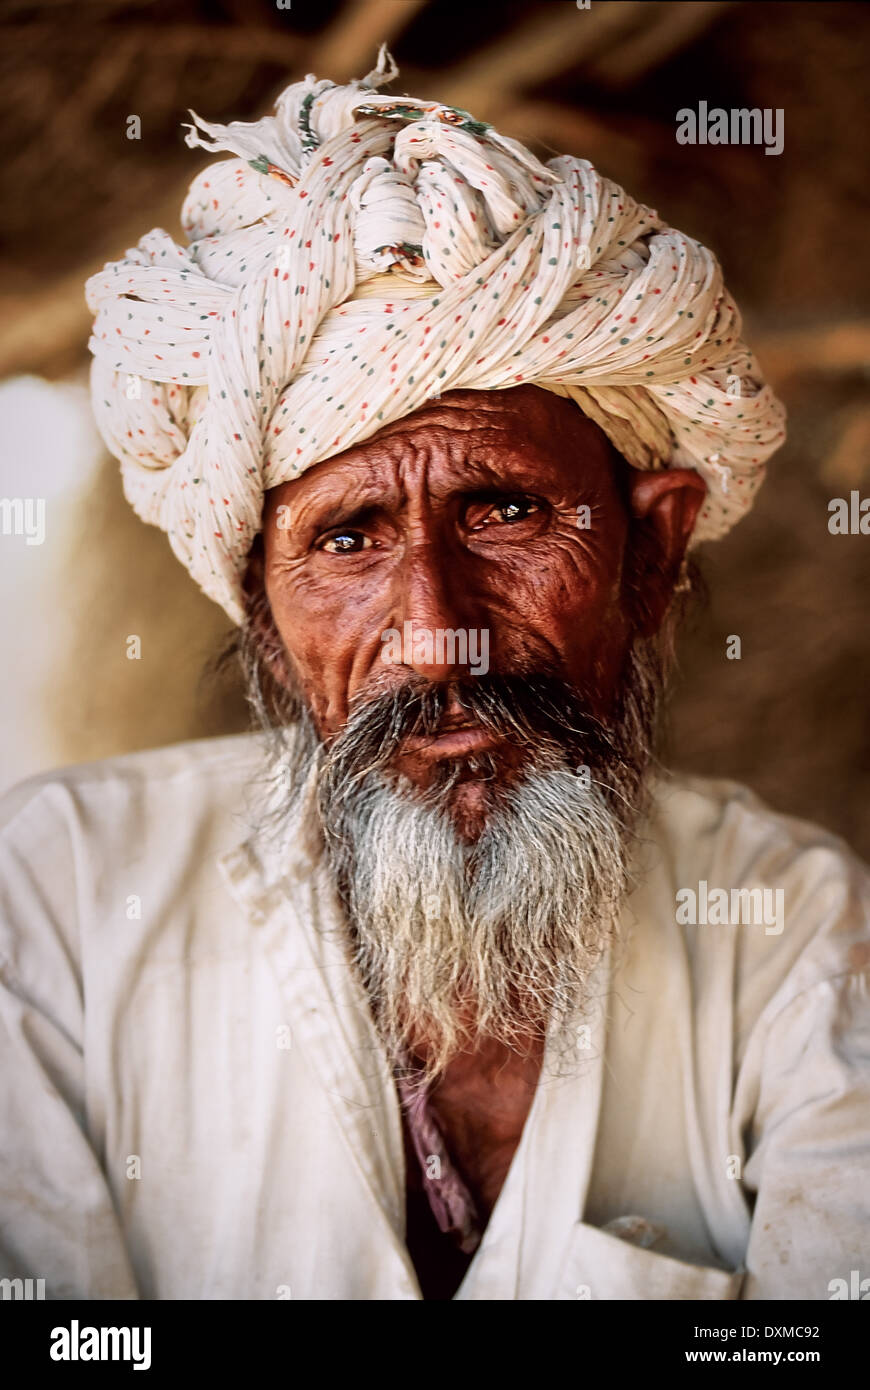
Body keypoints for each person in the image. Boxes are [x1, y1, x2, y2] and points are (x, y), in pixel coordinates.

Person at [1, 48, 867, 1302]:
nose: (433, 634)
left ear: (654, 551)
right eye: (346, 539)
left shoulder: (792, 938)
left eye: (506, 512)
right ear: (258, 605)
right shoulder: (58, 904)